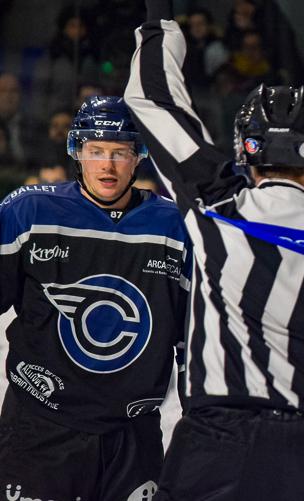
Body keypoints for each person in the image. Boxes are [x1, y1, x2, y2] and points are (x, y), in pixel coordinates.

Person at [125, 2, 304, 499]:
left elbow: (154, 100)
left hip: (218, 447)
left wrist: (159, 18)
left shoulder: (217, 207)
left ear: (246, 148)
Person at [0, 96, 192, 500]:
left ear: (138, 157)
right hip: (41, 427)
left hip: (133, 435)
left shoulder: (174, 226)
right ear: (77, 152)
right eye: (96, 151)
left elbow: (192, 335)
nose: (107, 165)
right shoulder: (29, 212)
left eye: (120, 153)